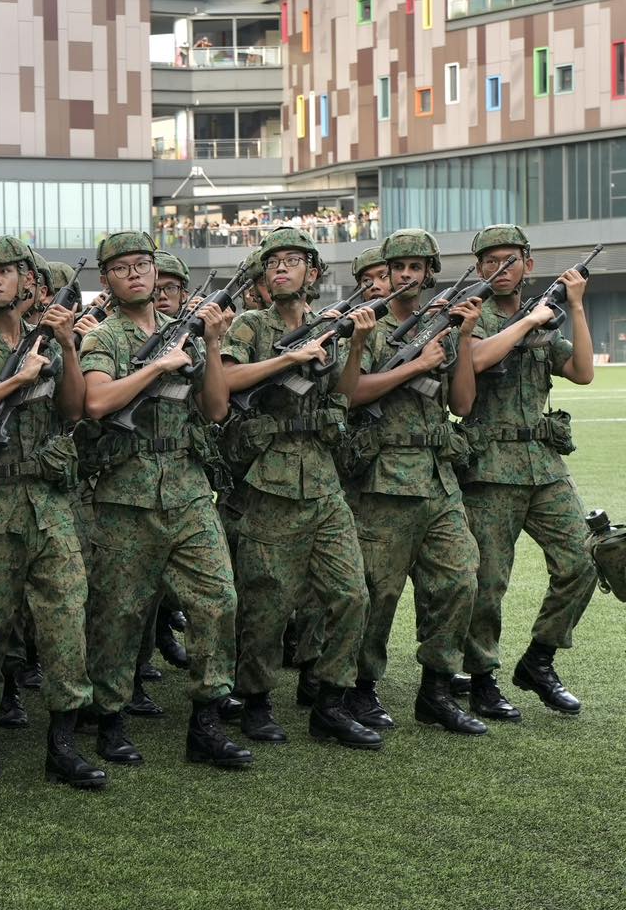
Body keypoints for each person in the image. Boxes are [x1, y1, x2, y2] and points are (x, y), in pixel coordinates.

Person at [0, 235, 107, 789]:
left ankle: (63, 743)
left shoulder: (49, 340)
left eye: (4, 272)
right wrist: (14, 381)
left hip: (48, 505)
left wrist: (69, 348)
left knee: (66, 621)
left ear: (29, 280)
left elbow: (75, 409)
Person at [78, 232, 252, 769]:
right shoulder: (103, 338)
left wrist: (213, 346)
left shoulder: (188, 334)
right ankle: (110, 718)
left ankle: (207, 721)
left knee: (218, 600)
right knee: (119, 613)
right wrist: (156, 366)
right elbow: (97, 401)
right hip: (126, 495)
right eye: (122, 268)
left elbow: (216, 409)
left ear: (156, 273)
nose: (134, 274)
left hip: (188, 487)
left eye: (142, 265)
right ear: (106, 280)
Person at [220, 227, 383, 750]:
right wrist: (290, 358)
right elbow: (226, 382)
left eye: (292, 261)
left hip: (323, 476)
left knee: (352, 594)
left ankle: (330, 702)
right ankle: (256, 700)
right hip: (270, 480)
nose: (281, 270)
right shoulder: (250, 325)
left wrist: (356, 345)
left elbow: (345, 396)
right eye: (273, 263)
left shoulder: (328, 324)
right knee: (266, 603)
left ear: (312, 272)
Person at [343, 230, 487, 735]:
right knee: (378, 592)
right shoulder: (368, 326)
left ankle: (437, 690)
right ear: (385, 272)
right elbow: (350, 394)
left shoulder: (441, 325)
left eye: (416, 267)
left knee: (459, 579)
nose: (406, 275)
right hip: (384, 479)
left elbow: (462, 403)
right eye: (398, 267)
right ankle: (361, 688)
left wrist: (463, 338)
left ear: (429, 273)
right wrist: (416, 366)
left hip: (437, 477)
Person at [460, 224, 598, 718]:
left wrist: (574, 307)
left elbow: (582, 371)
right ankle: (481, 677)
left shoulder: (543, 316)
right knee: (488, 581)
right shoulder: (470, 316)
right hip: (489, 467)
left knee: (585, 558)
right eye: (490, 261)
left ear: (528, 266)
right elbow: (476, 360)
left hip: (543, 464)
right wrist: (528, 322)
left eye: (510, 259)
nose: (500, 268)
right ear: (478, 269)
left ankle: (539, 660)